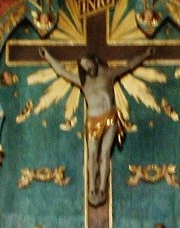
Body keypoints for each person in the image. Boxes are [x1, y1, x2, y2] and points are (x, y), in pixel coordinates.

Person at [43, 45, 151, 206]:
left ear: (94, 61)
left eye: (89, 64)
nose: (87, 68)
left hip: (109, 116)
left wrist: (145, 54)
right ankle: (92, 188)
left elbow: (129, 65)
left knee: (105, 154)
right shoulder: (83, 81)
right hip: (93, 120)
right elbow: (61, 71)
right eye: (84, 67)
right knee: (92, 154)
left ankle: (102, 188)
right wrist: (48, 56)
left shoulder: (108, 74)